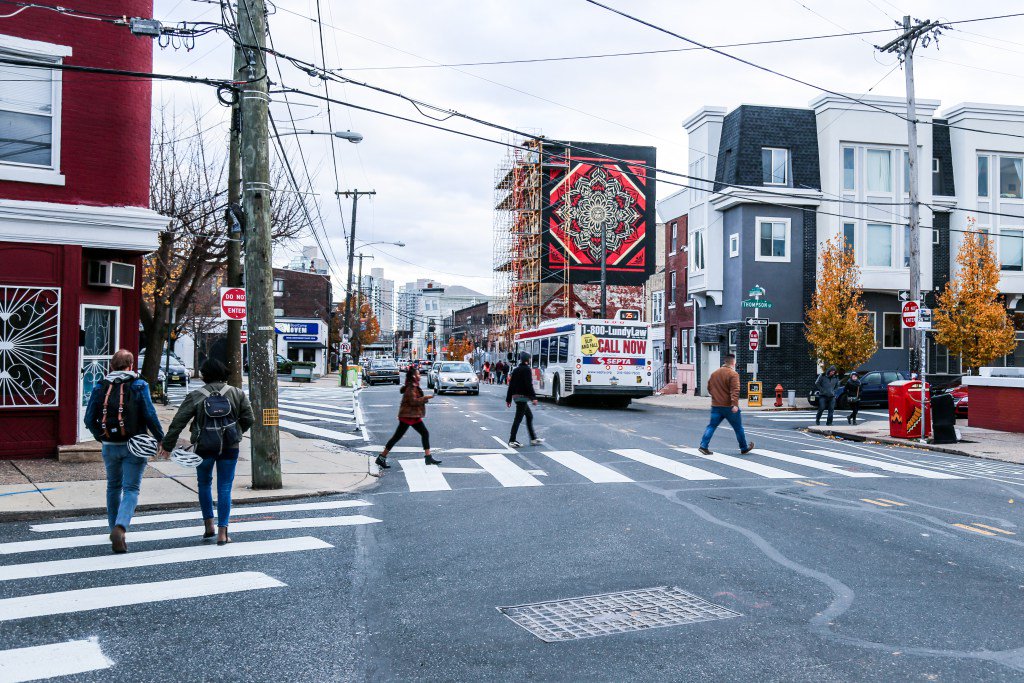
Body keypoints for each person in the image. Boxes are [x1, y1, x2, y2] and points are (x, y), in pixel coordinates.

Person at [158, 359, 254, 546]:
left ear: (205, 375)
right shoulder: (237, 394)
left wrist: (168, 445)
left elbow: (178, 422)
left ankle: (208, 524)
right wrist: (236, 432)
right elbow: (249, 418)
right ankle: (223, 532)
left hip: (204, 447)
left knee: (204, 484)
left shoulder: (196, 395)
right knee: (225, 487)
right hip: (229, 446)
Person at [83, 349, 164, 554]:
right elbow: (149, 414)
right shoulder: (139, 385)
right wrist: (160, 438)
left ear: (111, 365)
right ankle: (121, 527)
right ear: (131, 365)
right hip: (135, 445)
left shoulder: (100, 386)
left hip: (110, 446)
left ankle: (113, 528)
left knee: (113, 487)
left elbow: (88, 419)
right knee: (131, 489)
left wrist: (101, 437)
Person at [376, 366, 441, 470]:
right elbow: (413, 402)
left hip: (413, 416)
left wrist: (425, 398)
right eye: (418, 374)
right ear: (414, 376)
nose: (420, 375)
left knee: (424, 433)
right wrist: (426, 398)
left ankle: (428, 457)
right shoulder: (411, 388)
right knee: (396, 437)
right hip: (407, 416)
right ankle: (381, 457)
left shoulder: (414, 386)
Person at [698, 354, 754, 456]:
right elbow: (735, 390)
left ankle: (703, 446)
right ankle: (744, 447)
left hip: (716, 405)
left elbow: (709, 388)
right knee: (738, 428)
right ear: (733, 362)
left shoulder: (714, 374)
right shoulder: (733, 374)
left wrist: (716, 397)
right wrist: (735, 404)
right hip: (729, 406)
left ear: (724, 362)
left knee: (711, 426)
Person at [506, 352, 543, 448]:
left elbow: (511, 385)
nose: (530, 360)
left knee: (529, 416)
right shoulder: (527, 370)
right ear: (527, 360)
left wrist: (508, 399)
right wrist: (533, 398)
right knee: (518, 419)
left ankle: (533, 439)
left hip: (516, 397)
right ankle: (512, 440)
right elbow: (528, 385)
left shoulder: (516, 370)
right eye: (529, 359)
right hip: (522, 397)